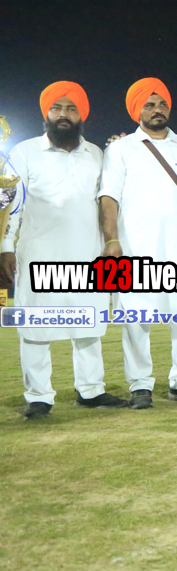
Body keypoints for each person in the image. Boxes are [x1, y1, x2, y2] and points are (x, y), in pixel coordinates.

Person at [2, 82, 124, 418]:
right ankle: (39, 396)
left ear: (81, 115)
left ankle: (91, 390)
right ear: (47, 113)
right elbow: (9, 204)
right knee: (35, 326)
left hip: (88, 253)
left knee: (88, 324)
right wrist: (5, 247)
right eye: (57, 108)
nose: (63, 114)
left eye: (71, 108)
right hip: (38, 253)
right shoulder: (24, 152)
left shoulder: (97, 154)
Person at [99, 77, 177, 408]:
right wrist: (112, 239)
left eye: (162, 104)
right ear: (137, 110)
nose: (157, 109)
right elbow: (109, 197)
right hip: (135, 246)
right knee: (136, 316)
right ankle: (140, 385)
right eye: (149, 105)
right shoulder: (121, 149)